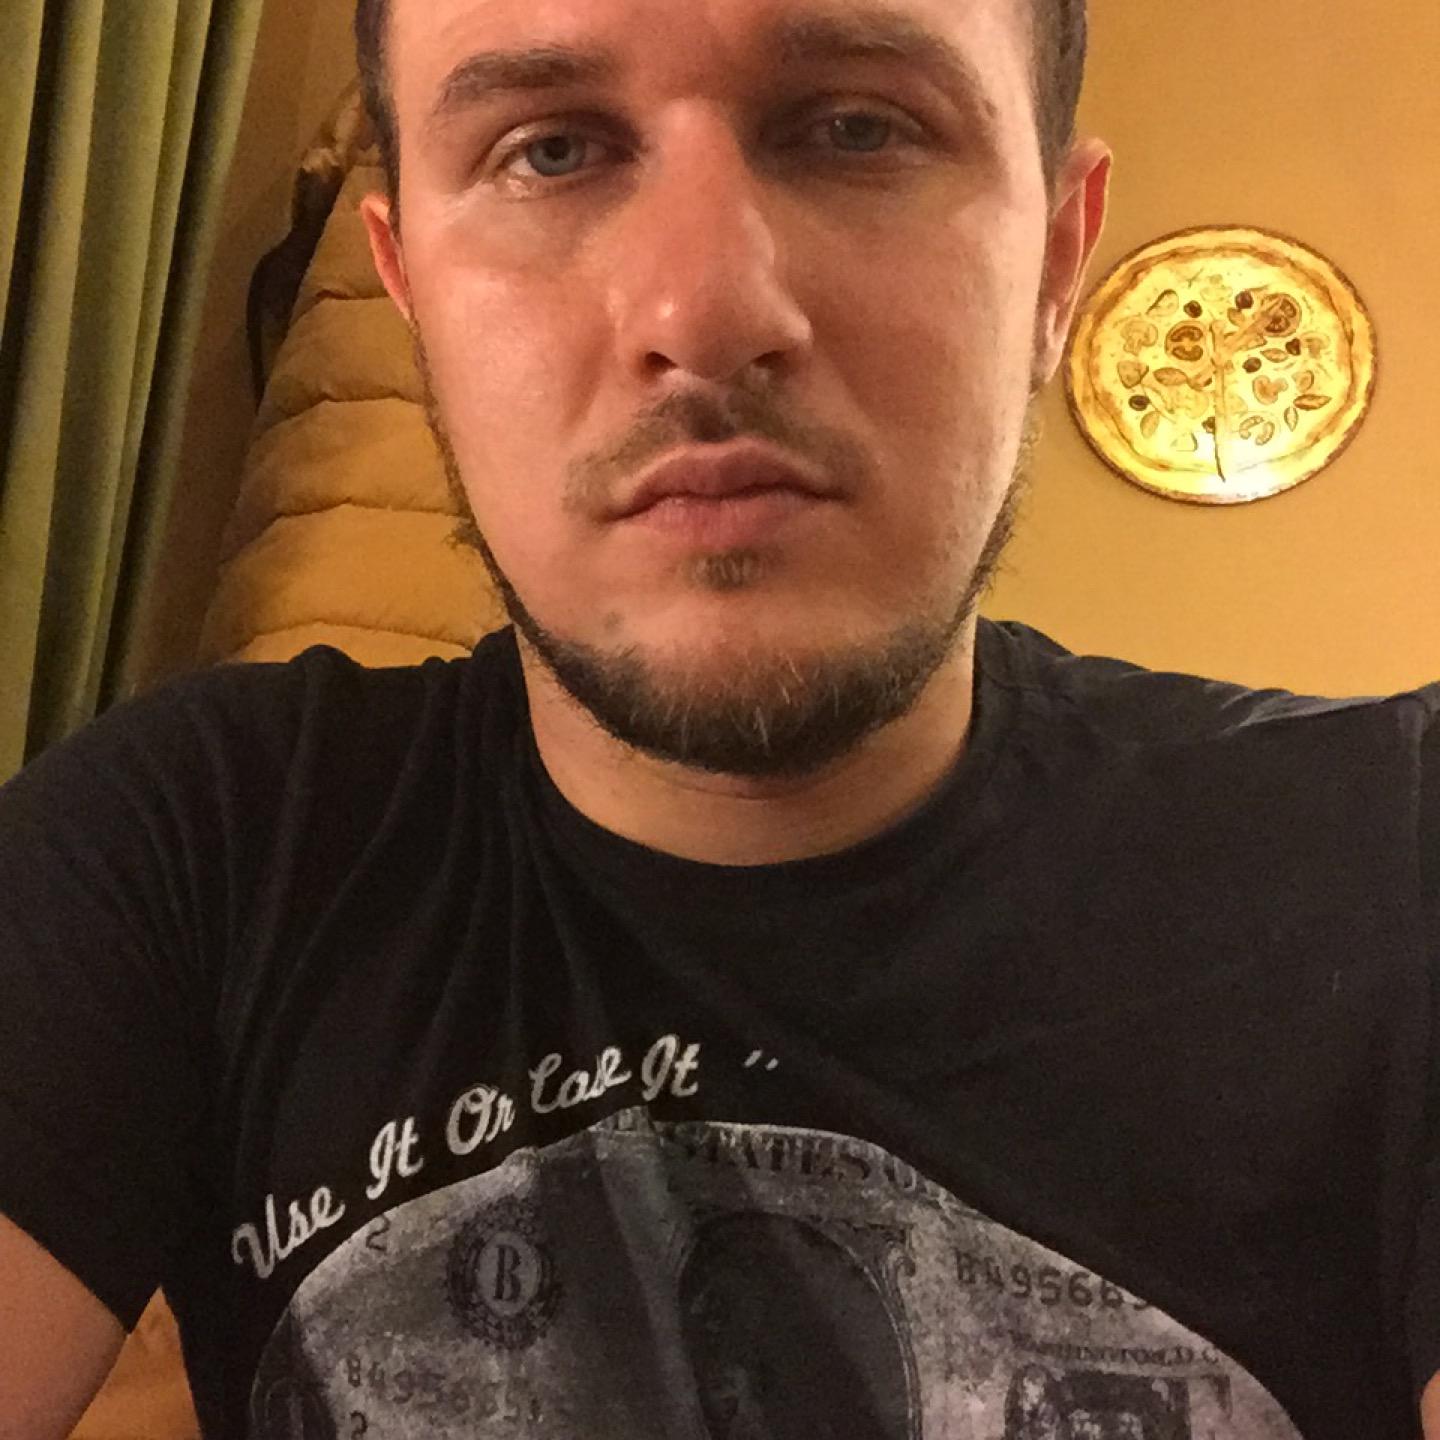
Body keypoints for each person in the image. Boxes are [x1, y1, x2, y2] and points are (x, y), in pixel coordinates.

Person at [1, 0, 1437, 1437]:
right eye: (550, 150)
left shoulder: (1398, 856)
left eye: (857, 129)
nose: (703, 314)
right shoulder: (190, 848)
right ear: (410, 289)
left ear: (1057, 262)